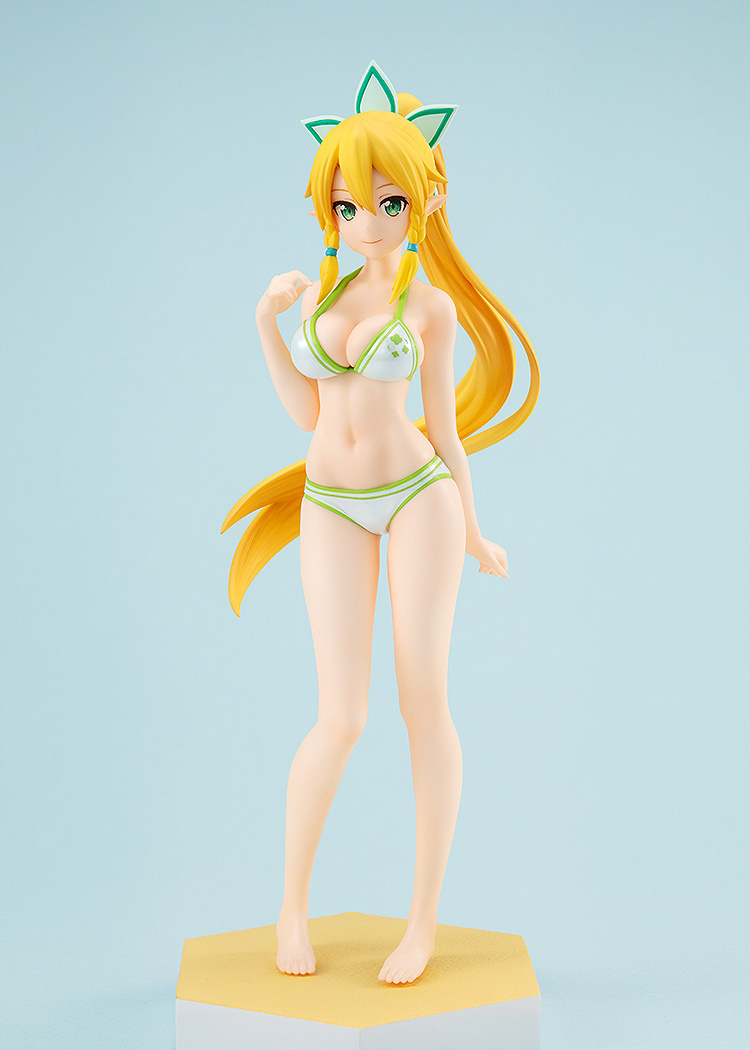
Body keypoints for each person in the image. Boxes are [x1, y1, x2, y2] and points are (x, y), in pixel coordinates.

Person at [222, 62, 540, 985]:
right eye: (348, 205)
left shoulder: (429, 308)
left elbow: (446, 431)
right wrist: (265, 323)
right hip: (330, 503)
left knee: (421, 699)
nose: (367, 221)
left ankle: (422, 921)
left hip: (417, 496)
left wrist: (473, 528)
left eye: (388, 202)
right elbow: (304, 414)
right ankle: (290, 909)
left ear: (425, 202)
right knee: (340, 716)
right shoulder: (323, 300)